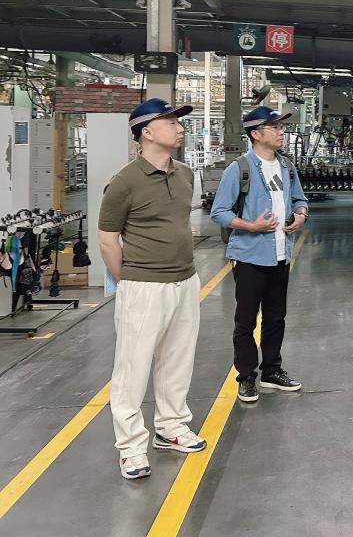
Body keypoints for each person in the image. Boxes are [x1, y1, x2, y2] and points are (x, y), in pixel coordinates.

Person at [98, 98, 207, 480]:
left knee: (177, 360)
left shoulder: (185, 174)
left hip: (185, 280)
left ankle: (171, 427)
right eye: (171, 121)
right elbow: (108, 240)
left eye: (179, 121)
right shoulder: (124, 182)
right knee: (133, 368)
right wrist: (130, 280)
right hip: (144, 286)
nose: (179, 127)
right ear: (146, 131)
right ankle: (130, 447)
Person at [211, 106, 309, 404]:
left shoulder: (287, 166)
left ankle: (271, 371)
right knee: (246, 320)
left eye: (281, 127)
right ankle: (246, 377)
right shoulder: (239, 168)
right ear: (256, 133)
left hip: (280, 254)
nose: (281, 132)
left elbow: (299, 199)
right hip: (250, 256)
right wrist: (251, 225)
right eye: (274, 127)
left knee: (276, 317)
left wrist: (301, 215)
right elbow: (219, 212)